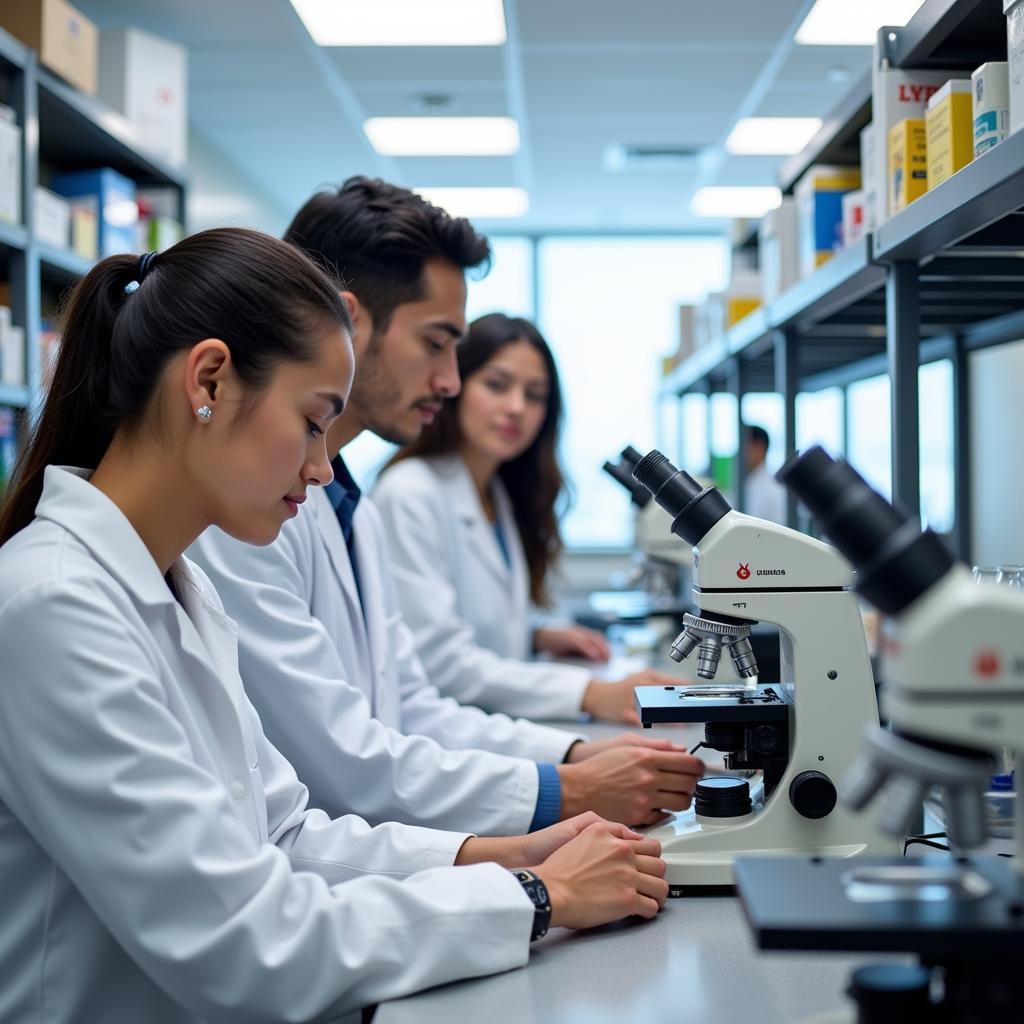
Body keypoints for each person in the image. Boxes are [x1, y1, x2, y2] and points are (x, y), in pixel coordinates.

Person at [0, 230, 669, 1023]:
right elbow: (243, 944)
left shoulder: (176, 589)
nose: (321, 469)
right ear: (208, 380)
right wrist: (536, 896)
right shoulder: (55, 605)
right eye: (314, 422)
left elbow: (286, 835)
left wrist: (502, 853)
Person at [190, 178, 703, 836]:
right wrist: (566, 791)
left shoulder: (349, 506)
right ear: (348, 322)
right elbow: (343, 763)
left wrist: (575, 756)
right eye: (437, 343)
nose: (451, 382)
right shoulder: (245, 516)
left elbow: (413, 708)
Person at [375, 313, 672, 723]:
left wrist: (535, 634)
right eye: (496, 385)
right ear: (456, 386)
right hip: (440, 743)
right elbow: (440, 663)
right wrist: (591, 693)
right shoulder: (409, 493)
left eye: (534, 395)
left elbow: (469, 614)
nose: (516, 407)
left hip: (493, 730)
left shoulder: (498, 491)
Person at [742, 424, 786, 524]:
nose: (739, 453)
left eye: (743, 446)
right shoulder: (749, 483)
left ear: (759, 447)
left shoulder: (772, 490)